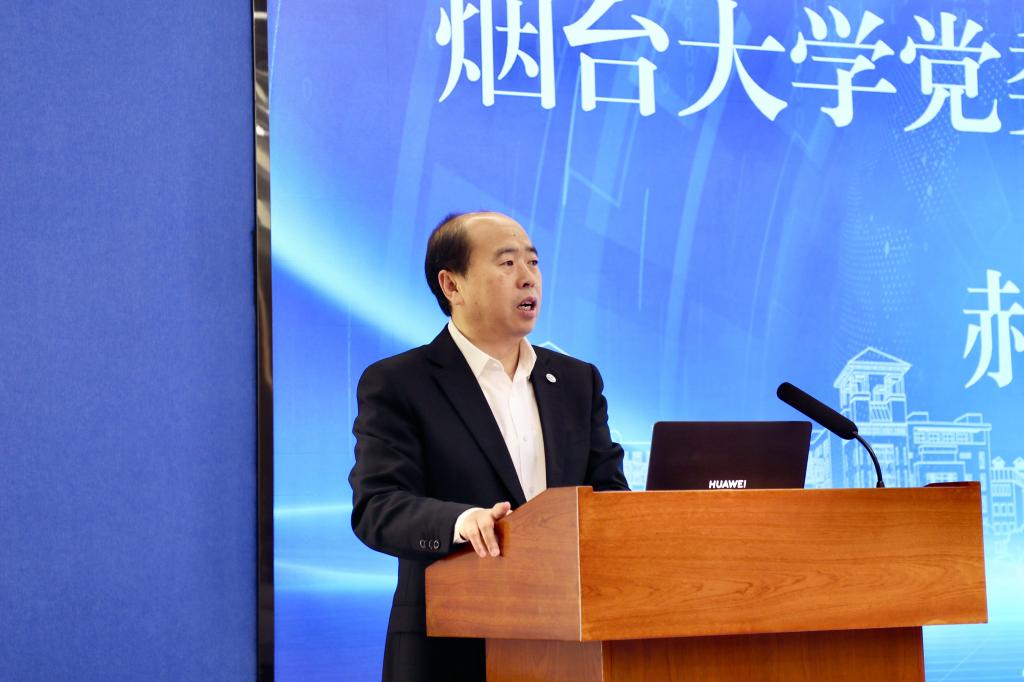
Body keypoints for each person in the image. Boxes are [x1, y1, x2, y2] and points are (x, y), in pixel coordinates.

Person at [349, 211, 629, 682]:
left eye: (533, 262)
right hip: (449, 649)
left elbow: (609, 499)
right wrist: (461, 522)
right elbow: (377, 507)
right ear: (452, 285)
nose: (528, 278)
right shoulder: (399, 383)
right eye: (507, 263)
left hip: (569, 647)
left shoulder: (577, 381)